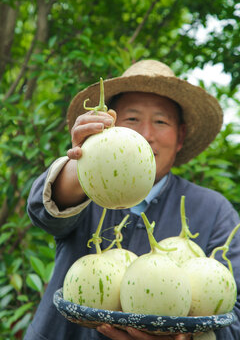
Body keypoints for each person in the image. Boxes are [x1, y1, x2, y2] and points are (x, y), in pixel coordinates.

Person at [24, 60, 240, 340]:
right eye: (132, 120)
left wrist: (182, 337)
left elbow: (232, 313)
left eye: (160, 121)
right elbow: (45, 211)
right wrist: (83, 162)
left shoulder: (214, 209)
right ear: (112, 126)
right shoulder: (90, 187)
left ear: (180, 136)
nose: (146, 135)